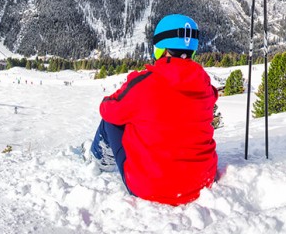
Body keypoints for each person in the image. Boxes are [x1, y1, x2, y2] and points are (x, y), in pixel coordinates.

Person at [90, 14, 218, 206]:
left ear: (160, 48)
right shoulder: (205, 85)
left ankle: (99, 160)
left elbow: (108, 109)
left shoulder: (144, 83)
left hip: (151, 189)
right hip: (202, 182)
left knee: (111, 120)